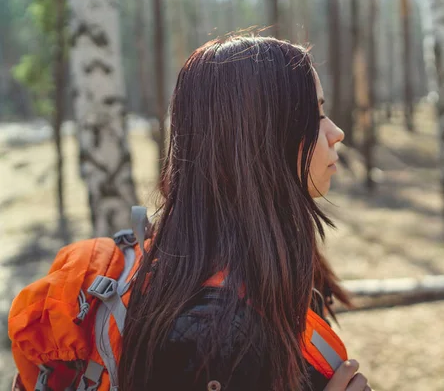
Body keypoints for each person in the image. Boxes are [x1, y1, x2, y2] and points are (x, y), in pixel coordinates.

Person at [116, 35, 371, 391]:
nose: (337, 132)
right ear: (261, 137)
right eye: (315, 115)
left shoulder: (260, 267)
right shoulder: (213, 337)